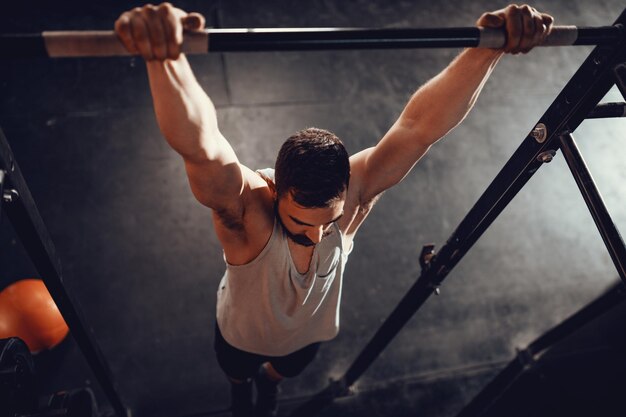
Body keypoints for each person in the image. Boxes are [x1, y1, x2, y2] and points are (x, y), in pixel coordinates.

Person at [115, 3, 553, 416]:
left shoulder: (355, 195)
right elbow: (201, 146)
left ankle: (269, 385)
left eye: (329, 224)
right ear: (276, 192)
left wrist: (487, 51)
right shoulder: (246, 213)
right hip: (240, 335)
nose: (320, 236)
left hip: (309, 334)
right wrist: (165, 58)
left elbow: (418, 129)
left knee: (282, 372)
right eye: (302, 224)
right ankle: (242, 392)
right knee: (237, 374)